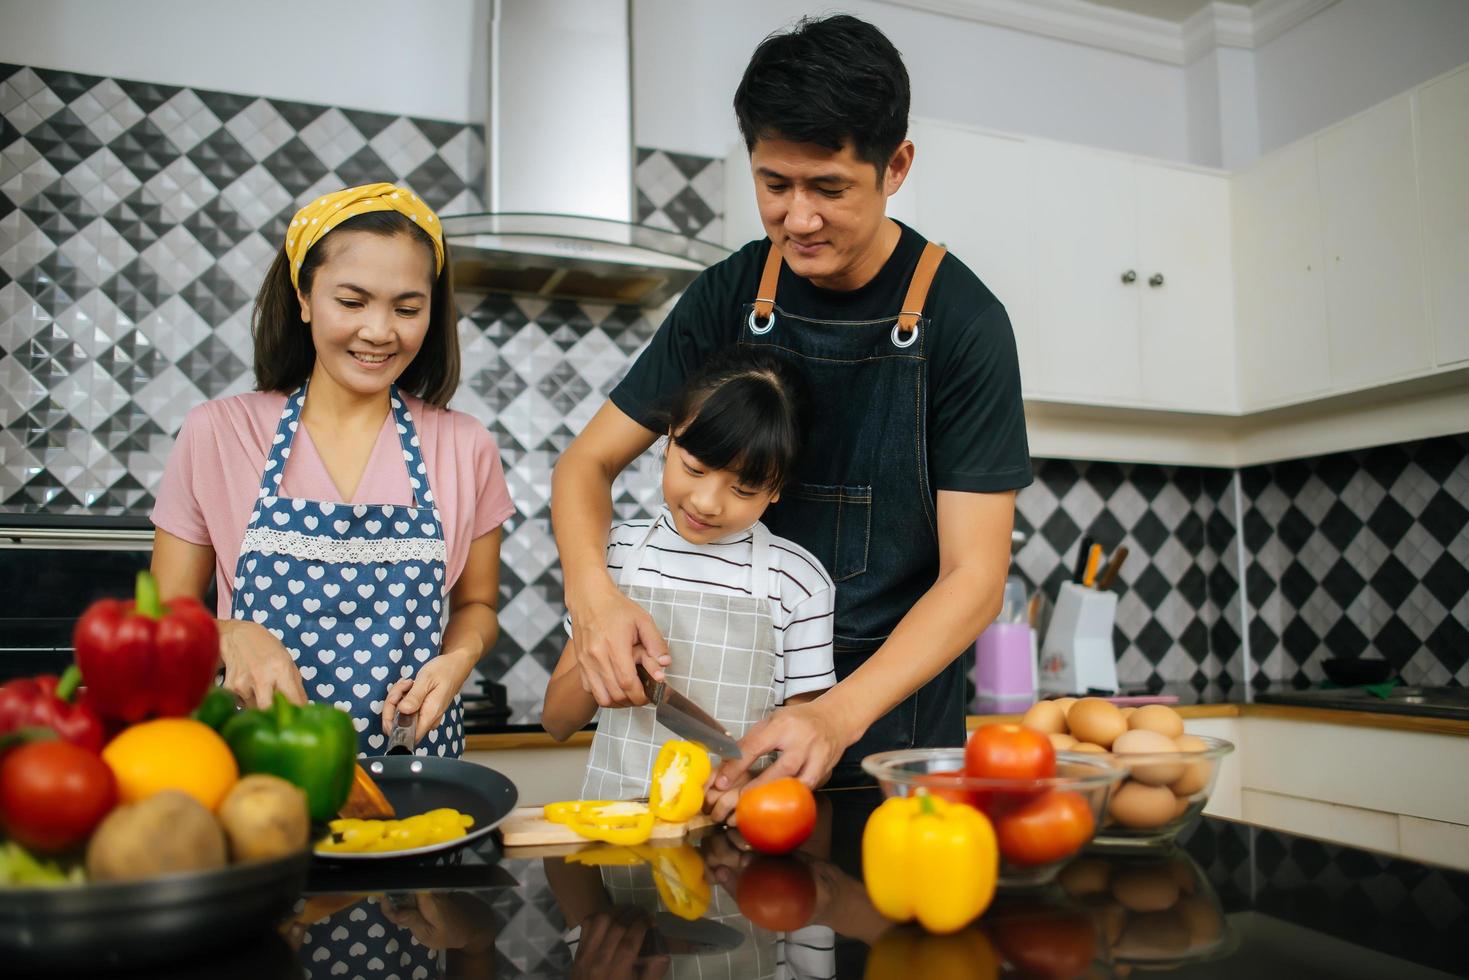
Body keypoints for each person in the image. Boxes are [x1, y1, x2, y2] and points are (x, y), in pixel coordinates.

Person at [551, 14, 1029, 807]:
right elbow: (584, 465)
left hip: (890, 732)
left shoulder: (965, 323)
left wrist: (835, 715)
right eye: (775, 184)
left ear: (896, 165)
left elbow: (973, 578)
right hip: (725, 716)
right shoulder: (731, 292)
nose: (797, 219)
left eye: (829, 188)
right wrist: (595, 601)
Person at [150, 182, 515, 758]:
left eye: (407, 308)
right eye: (352, 301)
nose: (379, 330)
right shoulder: (218, 433)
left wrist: (458, 659)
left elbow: (477, 607)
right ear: (303, 298)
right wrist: (228, 634)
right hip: (251, 775)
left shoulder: (464, 445)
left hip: (413, 766)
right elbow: (161, 618)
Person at [543, 347, 836, 809]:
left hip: (736, 836)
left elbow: (803, 746)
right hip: (620, 833)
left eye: (743, 488)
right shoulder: (615, 554)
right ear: (668, 440)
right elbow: (556, 721)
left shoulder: (798, 583)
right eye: (693, 468)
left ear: (777, 487)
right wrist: (604, 669)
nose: (707, 502)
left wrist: (759, 791)